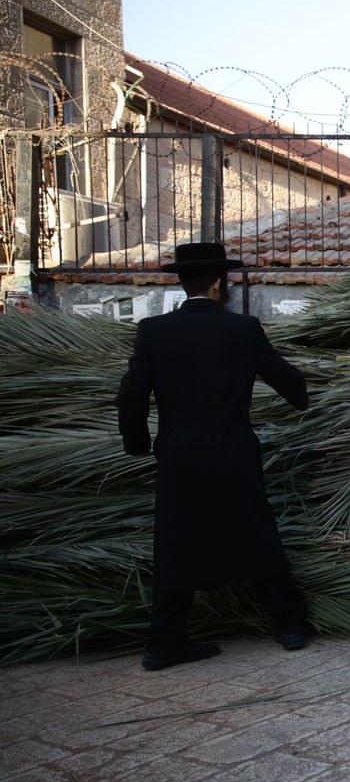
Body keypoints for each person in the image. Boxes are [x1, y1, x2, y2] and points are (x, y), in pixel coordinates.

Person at [117, 242, 313, 670]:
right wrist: (303, 397)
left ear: (183, 283)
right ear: (220, 282)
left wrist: (137, 443)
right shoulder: (243, 329)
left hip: (178, 452)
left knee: (175, 541)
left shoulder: (153, 330)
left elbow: (131, 395)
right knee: (255, 531)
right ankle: (290, 626)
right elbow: (287, 379)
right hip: (232, 448)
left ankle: (163, 643)